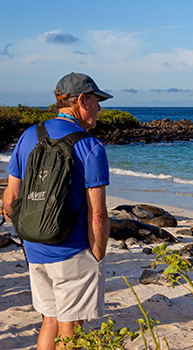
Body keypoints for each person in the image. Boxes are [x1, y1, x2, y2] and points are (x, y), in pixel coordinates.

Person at [2, 72, 112, 349]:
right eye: (97, 100)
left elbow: (9, 201)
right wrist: (97, 254)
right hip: (72, 251)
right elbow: (98, 214)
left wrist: (29, 238)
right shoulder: (90, 146)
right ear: (82, 100)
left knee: (49, 319)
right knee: (72, 325)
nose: (99, 107)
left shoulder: (29, 135)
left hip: (35, 248)